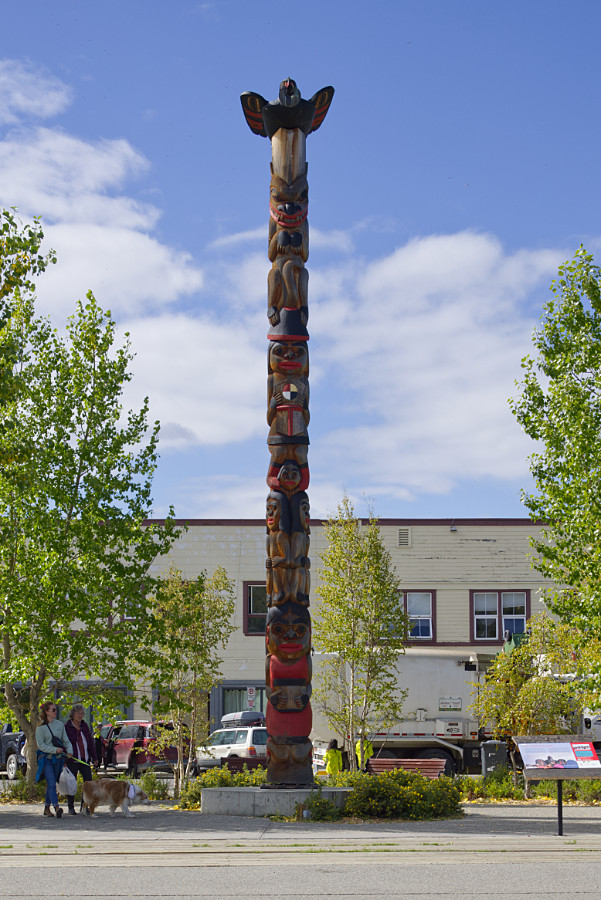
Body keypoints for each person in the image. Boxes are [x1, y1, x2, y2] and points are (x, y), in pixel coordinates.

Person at [35, 701, 73, 819]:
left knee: (52, 783)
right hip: (46, 759)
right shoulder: (40, 728)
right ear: (47, 712)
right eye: (53, 710)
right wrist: (54, 750)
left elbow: (66, 740)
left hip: (58, 759)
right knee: (51, 782)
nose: (56, 712)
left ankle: (47, 807)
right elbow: (41, 746)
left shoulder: (60, 725)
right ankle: (56, 807)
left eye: (56, 709)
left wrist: (70, 750)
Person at [64, 704, 98, 815]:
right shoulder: (67, 727)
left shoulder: (84, 726)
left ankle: (84, 806)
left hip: (85, 759)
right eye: (78, 713)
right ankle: (70, 807)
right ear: (73, 714)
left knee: (88, 784)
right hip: (72, 760)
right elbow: (66, 742)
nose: (80, 715)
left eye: (82, 713)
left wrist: (95, 757)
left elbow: (90, 742)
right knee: (71, 783)